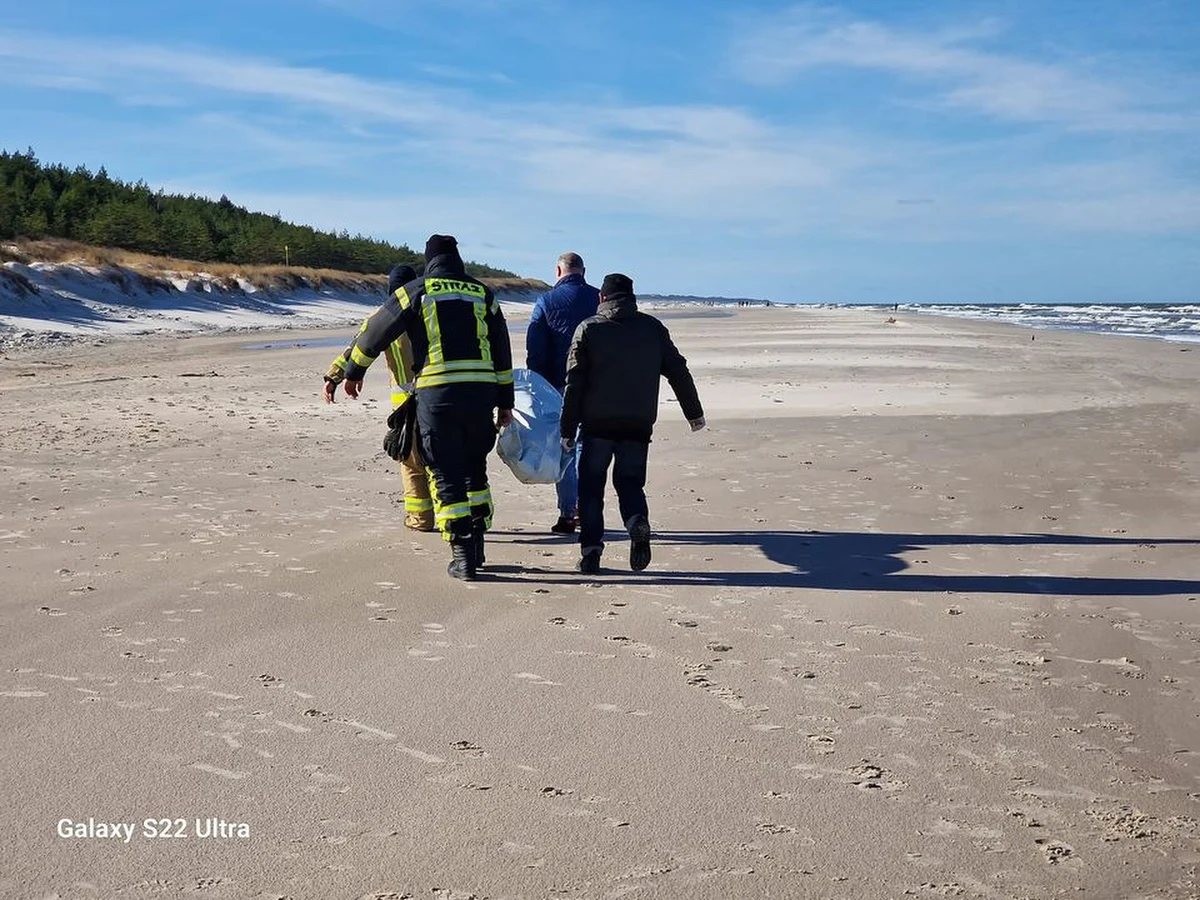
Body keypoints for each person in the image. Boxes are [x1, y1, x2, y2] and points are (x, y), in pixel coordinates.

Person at [329, 235, 514, 581]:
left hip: (438, 394)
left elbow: (373, 334)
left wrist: (352, 372)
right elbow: (502, 351)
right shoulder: (483, 293)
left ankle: (462, 556)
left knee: (445, 472)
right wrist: (505, 402)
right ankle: (477, 545)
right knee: (475, 470)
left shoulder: (417, 290)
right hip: (480, 396)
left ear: (429, 260)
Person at [560, 273, 705, 575]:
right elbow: (678, 370)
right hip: (638, 424)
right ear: (632, 298)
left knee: (590, 489)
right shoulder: (652, 328)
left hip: (597, 424)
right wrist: (693, 413)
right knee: (629, 483)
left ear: (601, 298)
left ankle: (591, 554)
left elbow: (574, 382)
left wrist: (567, 428)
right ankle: (636, 521)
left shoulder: (588, 329)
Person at [323, 263, 434, 532]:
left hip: (403, 405)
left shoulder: (382, 316)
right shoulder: (432, 312)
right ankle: (449, 519)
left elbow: (358, 348)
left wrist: (334, 376)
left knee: (410, 462)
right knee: (437, 461)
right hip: (436, 396)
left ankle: (419, 520)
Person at [525, 251, 599, 534]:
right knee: (585, 447)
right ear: (583, 270)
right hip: (595, 384)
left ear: (558, 271)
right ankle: (586, 508)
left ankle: (568, 513)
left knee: (566, 447)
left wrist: (536, 384)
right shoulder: (599, 299)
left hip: (559, 384)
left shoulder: (546, 301)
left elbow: (535, 348)